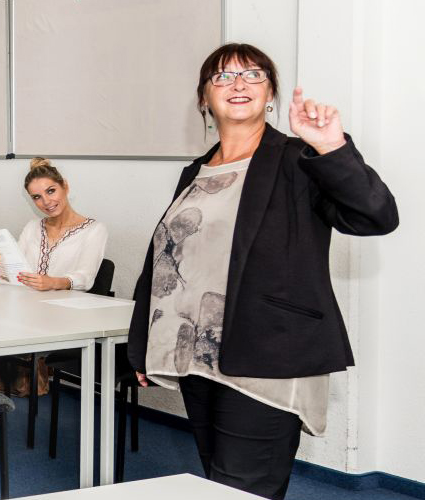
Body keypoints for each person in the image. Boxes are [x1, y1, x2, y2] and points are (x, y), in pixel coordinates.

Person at [126, 44, 397, 500]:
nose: (238, 84)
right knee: (219, 481)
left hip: (268, 353)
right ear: (203, 100)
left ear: (270, 93)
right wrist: (141, 343)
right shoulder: (198, 170)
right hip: (196, 355)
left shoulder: (298, 158)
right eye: (223, 77)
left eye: (252, 75)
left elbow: (376, 215)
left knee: (245, 488)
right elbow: (166, 257)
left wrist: (329, 145)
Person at [0, 158, 107, 290]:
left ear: (65, 186)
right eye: (36, 197)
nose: (46, 201)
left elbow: (85, 277)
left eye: (51, 191)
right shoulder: (32, 227)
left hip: (66, 307)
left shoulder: (94, 230)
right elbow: (15, 266)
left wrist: (53, 282)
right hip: (28, 302)